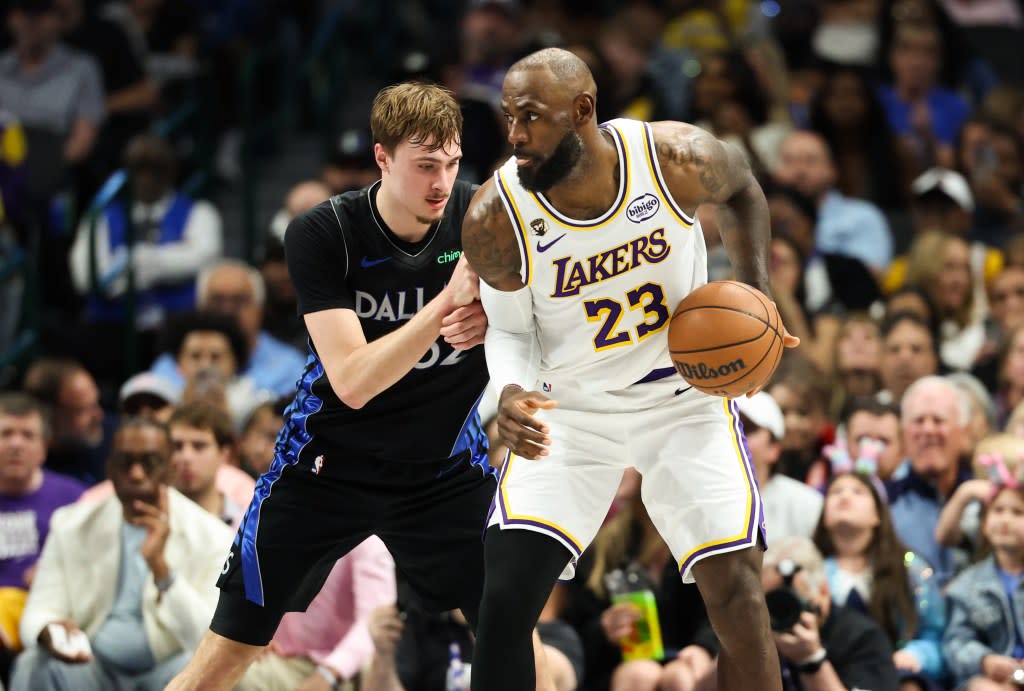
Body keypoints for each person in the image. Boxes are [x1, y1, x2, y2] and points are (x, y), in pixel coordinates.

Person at [460, 47, 799, 691]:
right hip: (573, 411)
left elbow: (744, 190)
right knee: (504, 598)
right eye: (508, 117)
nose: (514, 135)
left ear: (583, 110)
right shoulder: (494, 214)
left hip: (682, 398)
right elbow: (508, 328)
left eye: (530, 117)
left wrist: (757, 295)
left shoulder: (672, 159)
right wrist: (509, 389)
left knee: (738, 593)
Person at [164, 81, 502, 691]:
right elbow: (352, 381)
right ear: (382, 157)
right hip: (326, 468)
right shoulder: (323, 233)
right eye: (425, 165)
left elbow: (540, 325)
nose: (441, 183)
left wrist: (503, 331)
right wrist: (444, 306)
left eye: (451, 164)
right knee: (225, 657)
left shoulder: (483, 220)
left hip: (443, 473)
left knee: (509, 640)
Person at [9, 417, 233, 691]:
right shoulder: (71, 524)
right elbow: (39, 609)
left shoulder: (213, 535)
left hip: (168, 672)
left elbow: (208, 640)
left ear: (170, 469)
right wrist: (49, 631)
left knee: (203, 669)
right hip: (91, 667)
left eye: (149, 462)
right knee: (34, 662)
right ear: (109, 468)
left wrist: (162, 570)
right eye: (126, 462)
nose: (137, 474)